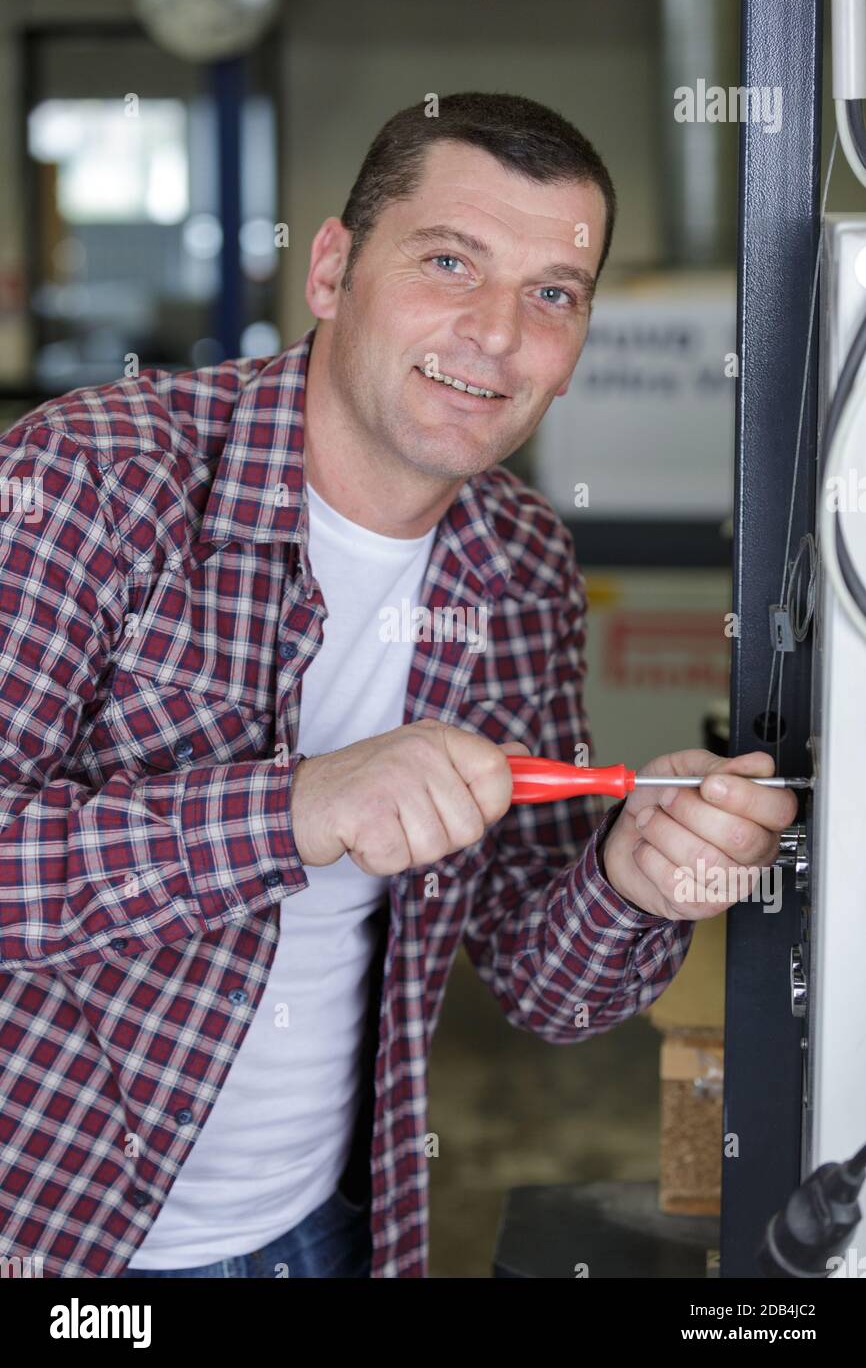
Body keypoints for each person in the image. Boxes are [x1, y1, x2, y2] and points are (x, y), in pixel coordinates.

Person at [0, 92, 796, 1280]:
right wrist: (298, 806)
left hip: (328, 1232)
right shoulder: (90, 479)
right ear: (330, 270)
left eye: (550, 295)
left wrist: (631, 880)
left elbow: (539, 983)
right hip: (50, 1242)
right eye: (446, 261)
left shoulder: (519, 563)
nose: (493, 334)